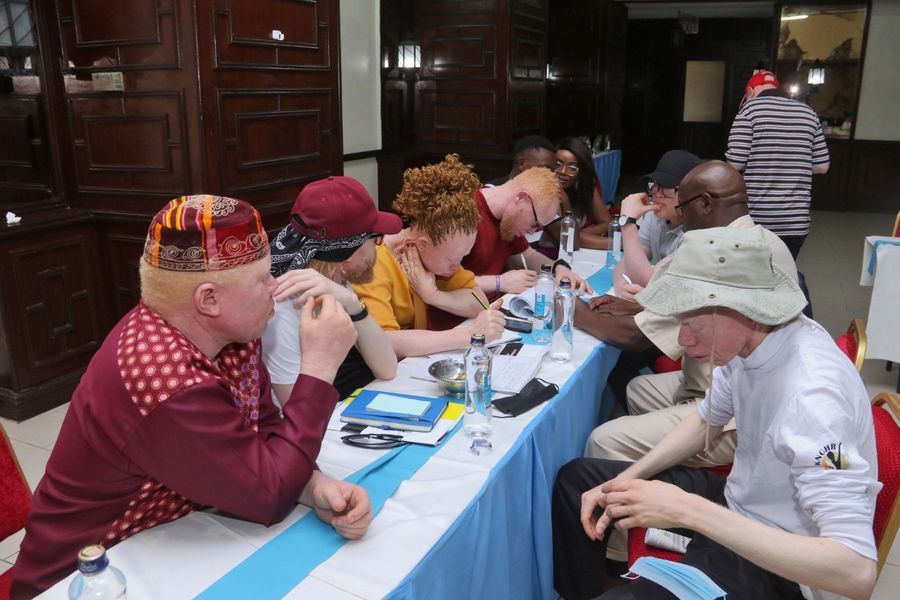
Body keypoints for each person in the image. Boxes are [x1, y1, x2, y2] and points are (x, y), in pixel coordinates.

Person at [11, 196, 373, 599]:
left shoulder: (228, 333)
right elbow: (267, 496)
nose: (275, 286)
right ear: (208, 300)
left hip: (169, 543)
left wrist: (313, 485)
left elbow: (265, 430)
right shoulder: (163, 377)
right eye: (261, 279)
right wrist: (320, 370)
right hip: (91, 575)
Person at [553, 227, 880, 600]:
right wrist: (626, 480)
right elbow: (706, 419)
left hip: (783, 567)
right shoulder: (747, 345)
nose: (683, 339)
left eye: (693, 324)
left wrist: (687, 510)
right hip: (742, 505)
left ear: (747, 311)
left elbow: (856, 571)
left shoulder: (812, 397)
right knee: (579, 480)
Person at [584, 161, 798, 469]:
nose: (681, 219)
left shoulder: (720, 251)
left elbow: (635, 336)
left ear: (706, 204)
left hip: (741, 409)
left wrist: (571, 309)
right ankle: (663, 468)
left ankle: (649, 490)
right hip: (726, 382)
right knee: (637, 389)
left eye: (683, 208)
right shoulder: (761, 238)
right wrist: (640, 304)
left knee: (604, 439)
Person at [352, 154, 506, 358]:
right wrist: (470, 334)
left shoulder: (437, 257)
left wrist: (433, 295)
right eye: (454, 259)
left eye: (463, 257)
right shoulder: (375, 261)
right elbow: (383, 341)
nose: (458, 265)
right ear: (423, 244)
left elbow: (479, 301)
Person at [263, 176, 402, 402]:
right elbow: (296, 411)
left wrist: (353, 304)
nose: (380, 247)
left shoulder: (334, 282)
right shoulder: (281, 308)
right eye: (375, 239)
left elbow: (387, 368)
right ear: (346, 255)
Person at [726, 70, 830, 259]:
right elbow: (822, 167)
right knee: (785, 276)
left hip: (757, 219)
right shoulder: (808, 113)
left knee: (752, 277)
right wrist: (794, 165)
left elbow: (735, 164)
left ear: (750, 91)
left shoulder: (749, 111)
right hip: (795, 222)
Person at [462, 165, 593, 299]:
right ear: (521, 198)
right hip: (463, 314)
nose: (532, 231)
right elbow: (442, 282)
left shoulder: (509, 220)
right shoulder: (465, 212)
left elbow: (528, 255)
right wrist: (499, 282)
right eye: (535, 224)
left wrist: (559, 268)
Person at [612, 149, 701, 299]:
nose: (656, 193)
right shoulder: (655, 216)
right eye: (655, 184)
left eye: (667, 187)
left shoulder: (696, 234)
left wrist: (628, 223)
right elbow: (628, 261)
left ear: (691, 194)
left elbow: (649, 281)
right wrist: (620, 284)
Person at [540, 136, 612, 251]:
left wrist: (579, 233)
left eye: (572, 168)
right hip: (548, 253)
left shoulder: (584, 186)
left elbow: (607, 222)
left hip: (577, 250)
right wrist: (620, 243)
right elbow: (568, 239)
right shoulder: (548, 192)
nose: (563, 172)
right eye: (558, 164)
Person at [488, 134, 556, 186]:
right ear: (521, 163)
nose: (550, 175)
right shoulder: (489, 193)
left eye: (552, 171)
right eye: (545, 168)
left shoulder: (546, 197)